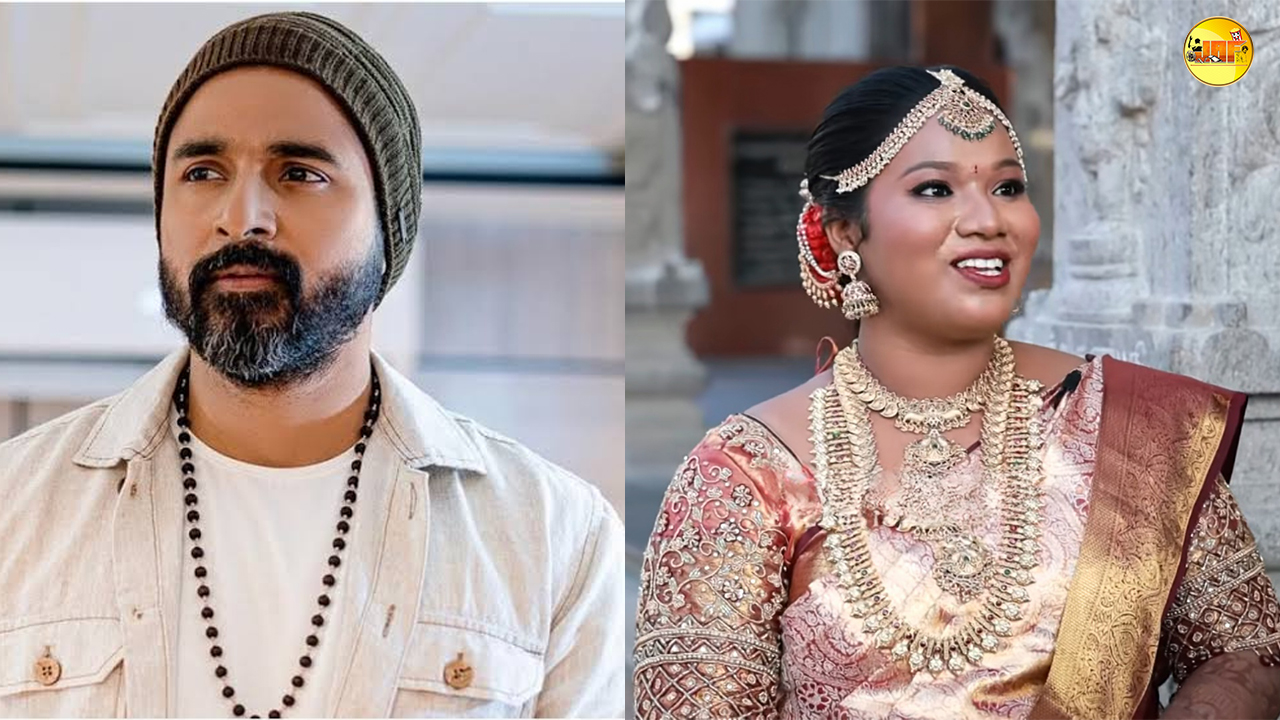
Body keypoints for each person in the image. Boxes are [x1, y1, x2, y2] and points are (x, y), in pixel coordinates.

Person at [0, 12, 621, 718]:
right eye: (203, 172)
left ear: (388, 229)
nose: (243, 217)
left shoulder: (553, 534)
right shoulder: (14, 510)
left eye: (299, 173)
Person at [632, 65, 1280, 719]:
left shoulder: (1127, 420)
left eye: (1008, 186)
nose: (987, 219)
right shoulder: (747, 475)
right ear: (843, 233)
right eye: (936, 188)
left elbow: (1245, 651)